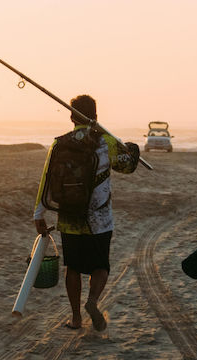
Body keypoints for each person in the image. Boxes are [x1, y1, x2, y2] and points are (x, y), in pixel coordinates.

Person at [33, 94, 140, 331]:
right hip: (99, 220)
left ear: (72, 117)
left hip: (69, 218)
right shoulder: (106, 142)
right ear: (96, 116)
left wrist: (38, 214)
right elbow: (127, 166)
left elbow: (46, 180)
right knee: (100, 266)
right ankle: (92, 302)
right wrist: (132, 148)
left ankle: (76, 318)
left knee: (73, 268)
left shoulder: (59, 143)